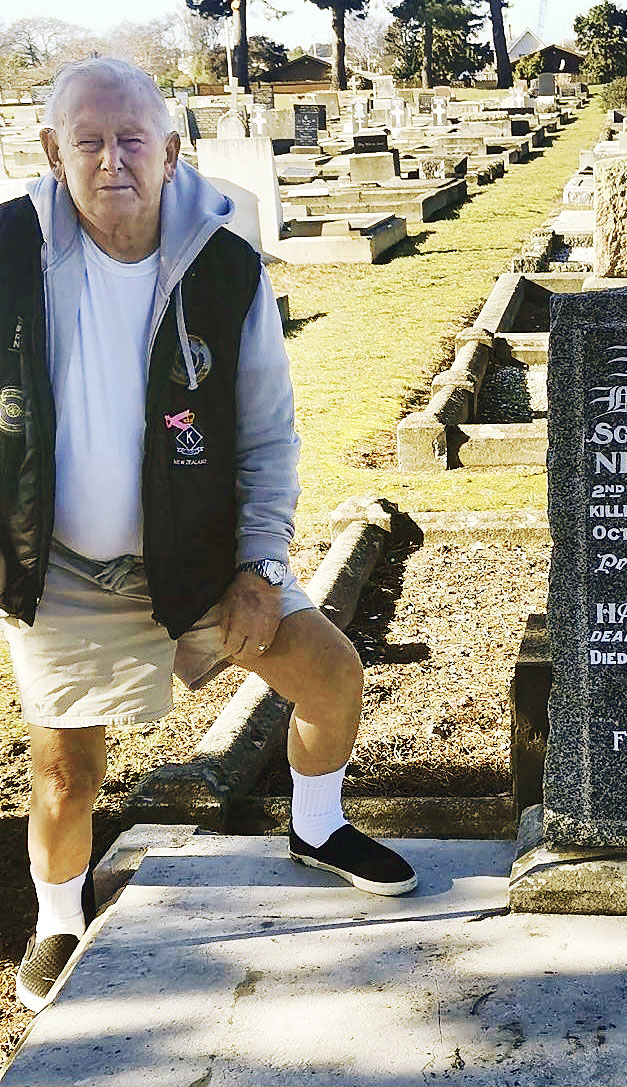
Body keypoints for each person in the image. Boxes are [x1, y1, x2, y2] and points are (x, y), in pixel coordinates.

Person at [1, 58, 417, 1014]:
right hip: (62, 567)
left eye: (133, 138)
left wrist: (263, 567)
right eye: (90, 140)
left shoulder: (224, 267)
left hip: (201, 553)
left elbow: (269, 434)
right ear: (52, 150)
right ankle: (59, 915)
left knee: (331, 674)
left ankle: (318, 824)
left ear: (172, 151)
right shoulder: (9, 253)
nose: (113, 160)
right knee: (66, 769)